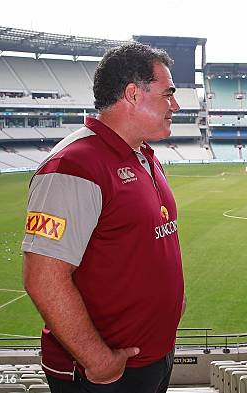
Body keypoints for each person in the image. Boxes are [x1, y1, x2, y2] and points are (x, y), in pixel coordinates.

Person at [22, 43, 184, 393]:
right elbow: (43, 279)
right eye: (168, 94)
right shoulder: (73, 166)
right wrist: (98, 361)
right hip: (104, 374)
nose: (176, 105)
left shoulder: (143, 156)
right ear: (132, 94)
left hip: (153, 357)